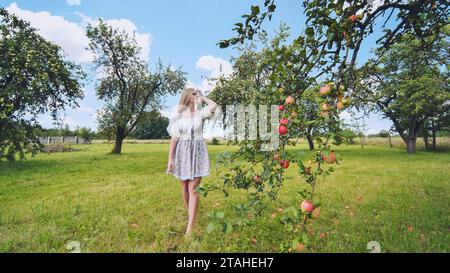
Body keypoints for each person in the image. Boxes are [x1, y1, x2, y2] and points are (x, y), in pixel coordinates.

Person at [166, 87, 218, 237]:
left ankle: (189, 228)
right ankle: (191, 215)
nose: (195, 96)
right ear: (187, 97)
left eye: (196, 94)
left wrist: (203, 97)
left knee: (193, 187)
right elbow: (174, 138)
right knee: (184, 187)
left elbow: (213, 105)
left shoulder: (201, 113)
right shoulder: (179, 115)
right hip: (182, 151)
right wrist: (170, 159)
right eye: (193, 94)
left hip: (197, 152)